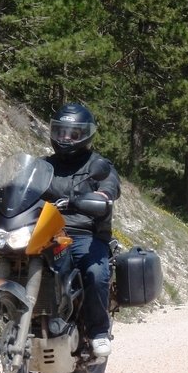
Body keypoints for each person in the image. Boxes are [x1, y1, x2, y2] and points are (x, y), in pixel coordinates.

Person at [43, 102, 121, 357]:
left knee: (95, 272)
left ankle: (99, 331)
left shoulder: (99, 165)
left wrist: (99, 197)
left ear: (85, 135)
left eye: (72, 133)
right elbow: (22, 186)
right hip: (45, 232)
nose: (65, 138)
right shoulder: (43, 165)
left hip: (83, 235)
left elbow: (109, 189)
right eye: (61, 132)